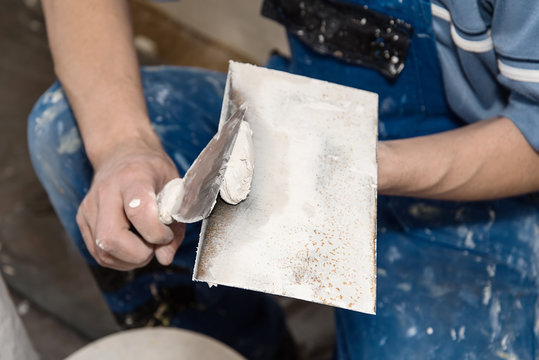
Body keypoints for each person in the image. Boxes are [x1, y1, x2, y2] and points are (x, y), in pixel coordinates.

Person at [28, 0, 539, 359]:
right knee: (67, 135)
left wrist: (354, 166)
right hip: (307, 114)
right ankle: (244, 346)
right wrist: (123, 146)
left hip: (482, 169)